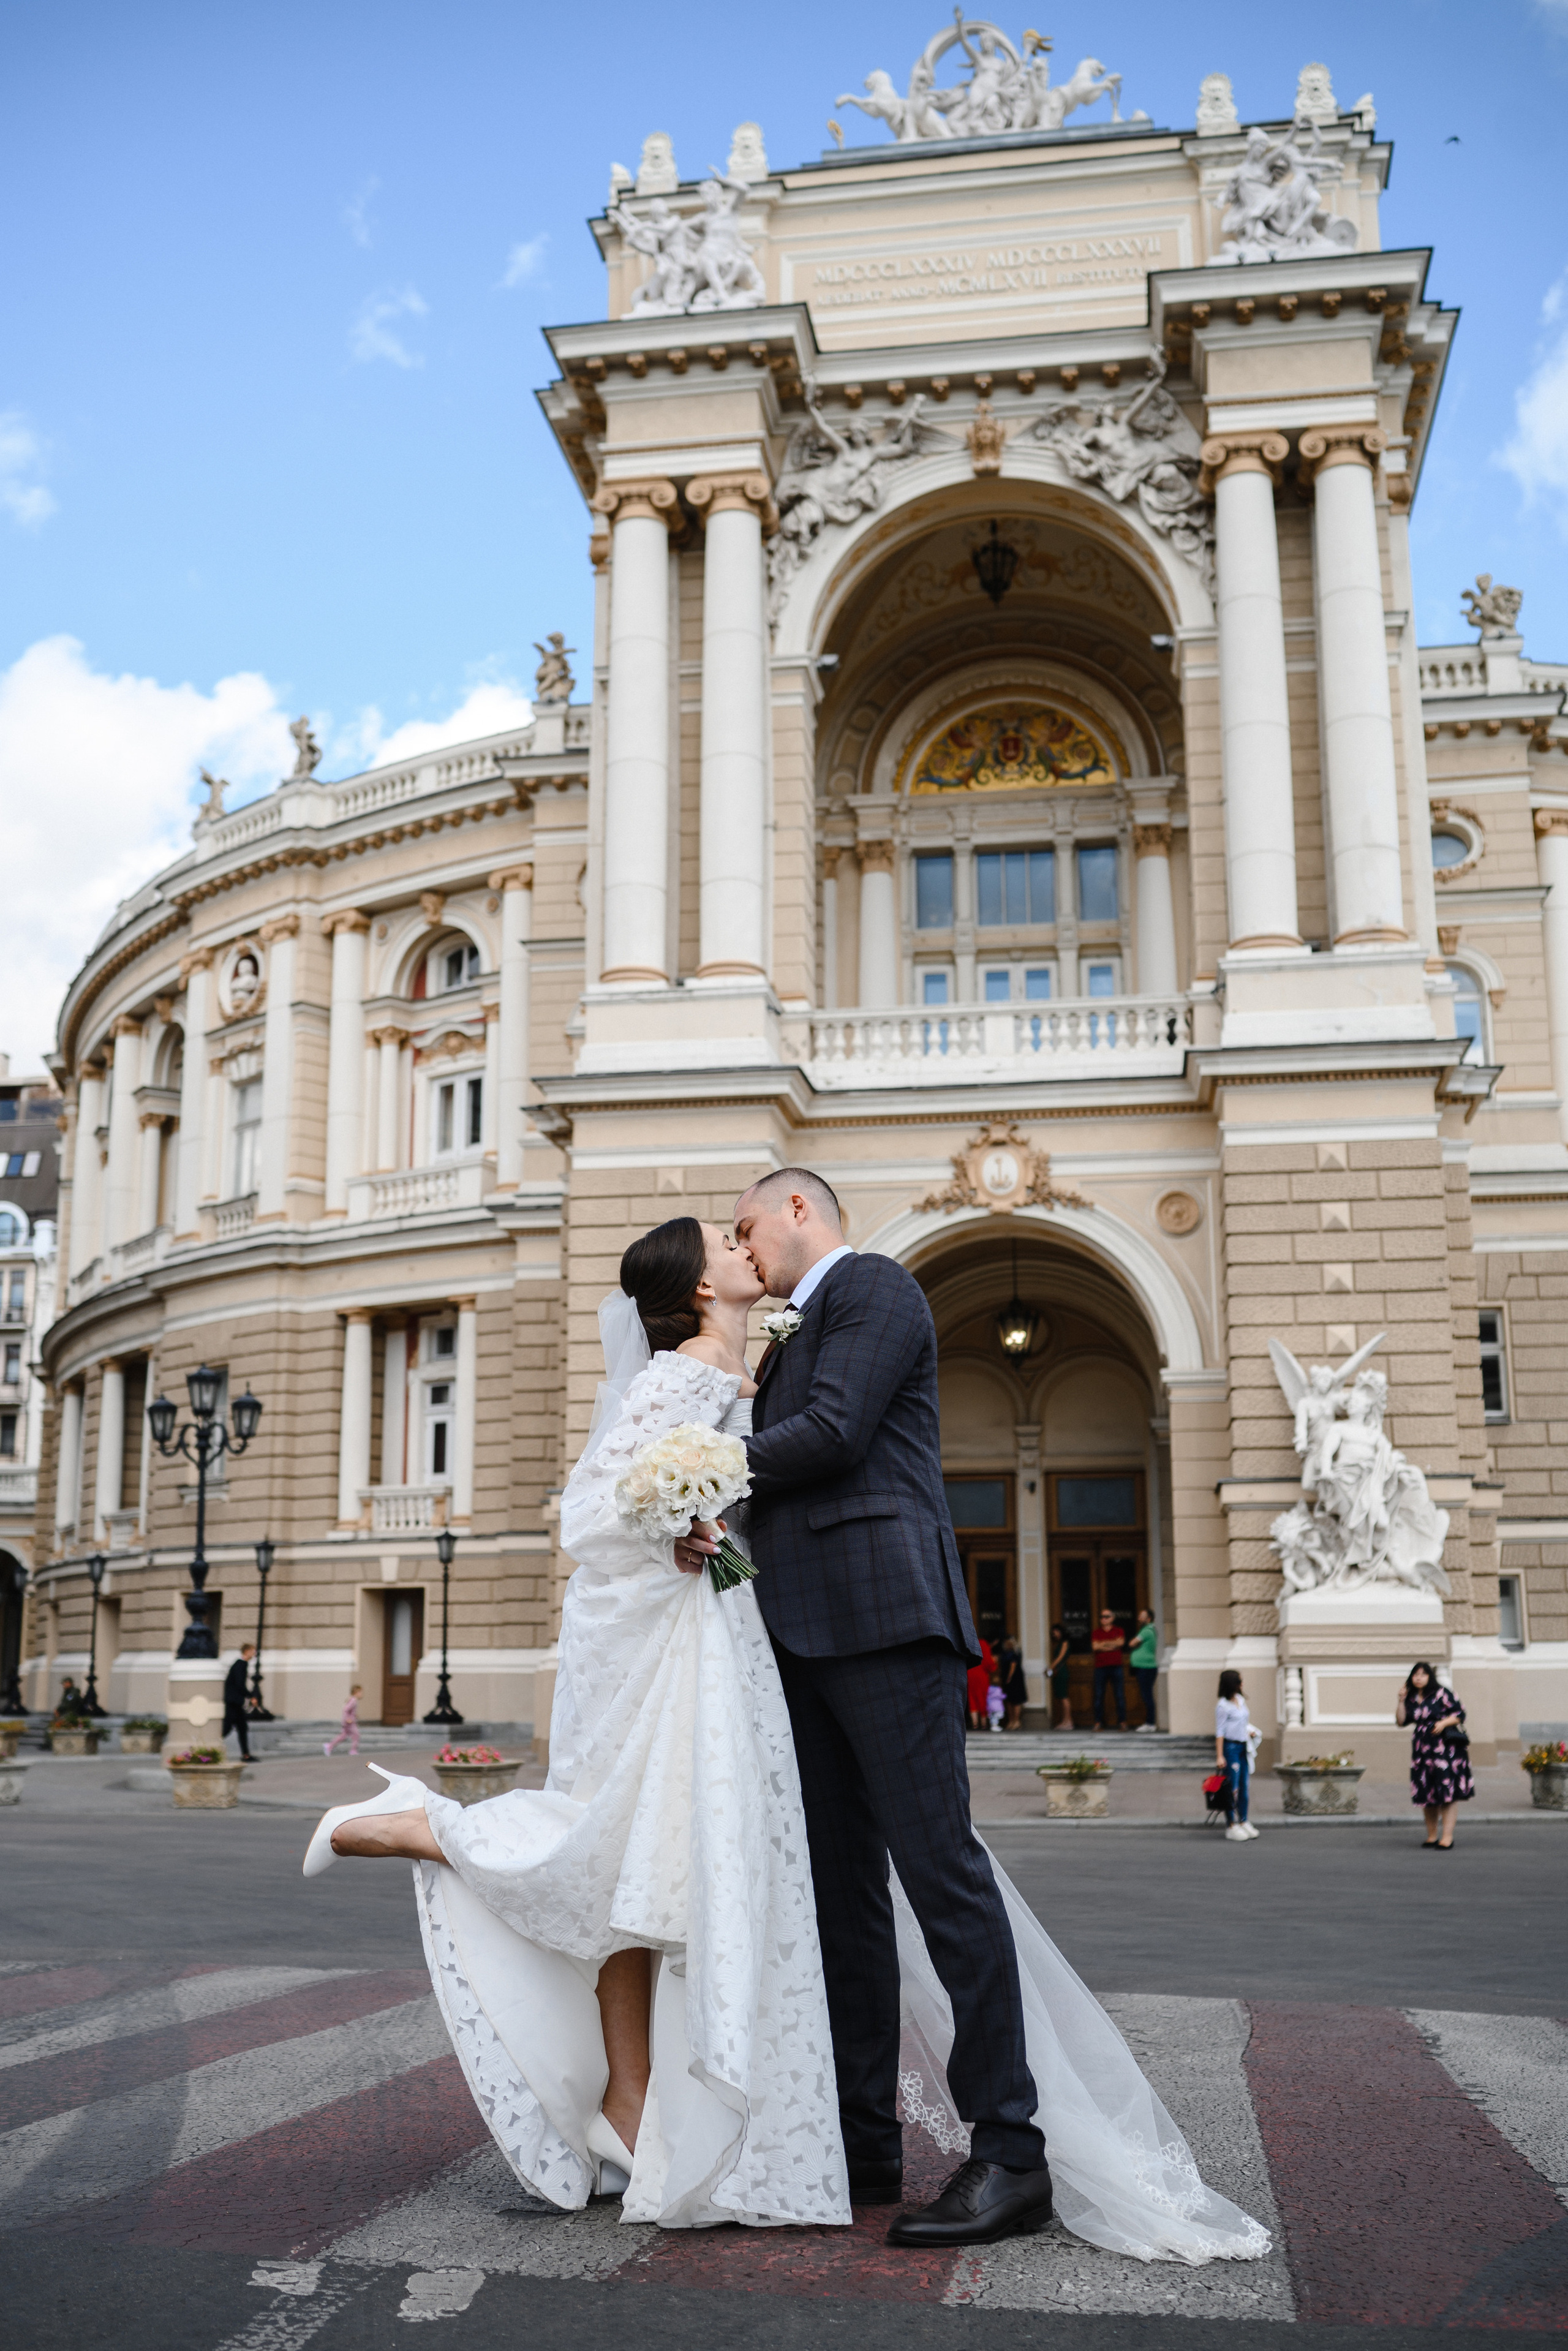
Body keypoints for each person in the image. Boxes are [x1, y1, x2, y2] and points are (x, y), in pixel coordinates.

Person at [303, 1181, 1270, 2266]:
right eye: (732, 1242)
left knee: (944, 1878)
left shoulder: (875, 1288)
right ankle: (863, 2145)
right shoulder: (764, 1341)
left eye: (747, 1226)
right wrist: (696, 1526)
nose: (746, 1248)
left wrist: (694, 1482)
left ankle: (1012, 2151)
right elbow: (731, 1481)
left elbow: (835, 1433)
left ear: (796, 1209)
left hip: (886, 1622)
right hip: (794, 1636)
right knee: (840, 1900)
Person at [1396, 1660, 1474, 1847]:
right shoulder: (1412, 1697)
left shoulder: (1442, 1693)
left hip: (1445, 1750)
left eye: (1423, 1674)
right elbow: (1401, 1721)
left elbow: (1460, 1714)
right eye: (1416, 1675)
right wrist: (1400, 1701)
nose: (1419, 1678)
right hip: (1423, 1750)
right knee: (1427, 1794)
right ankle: (1432, 1835)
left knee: (1447, 1793)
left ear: (1430, 1677)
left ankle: (1447, 1837)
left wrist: (1443, 1723)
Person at [1215, 1669, 1256, 1842]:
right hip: (1230, 1748)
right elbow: (1220, 1732)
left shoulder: (1240, 1700)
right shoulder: (1223, 1706)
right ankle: (1231, 1825)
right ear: (1233, 1683)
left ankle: (1244, 1820)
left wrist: (1250, 1732)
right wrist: (1220, 1756)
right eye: (1240, 1680)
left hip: (1243, 1746)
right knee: (1232, 1789)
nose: (1243, 1683)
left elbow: (1243, 1722)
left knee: (1244, 1786)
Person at [1091, 1608, 1127, 1730]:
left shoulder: (1119, 1630)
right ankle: (1098, 1722)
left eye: (1106, 1616)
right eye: (1102, 1617)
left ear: (1112, 1618)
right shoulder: (1096, 1632)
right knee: (1099, 1695)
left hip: (1116, 1667)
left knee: (1119, 1695)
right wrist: (1112, 1644)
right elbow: (1095, 1647)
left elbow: (1121, 1644)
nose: (1103, 1619)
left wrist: (1103, 1645)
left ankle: (1122, 1722)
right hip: (1100, 1667)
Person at [222, 1644, 255, 1762]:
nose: (254, 1654)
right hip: (233, 1702)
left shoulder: (240, 1664)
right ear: (247, 1651)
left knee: (242, 1727)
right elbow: (240, 1685)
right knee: (227, 1728)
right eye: (253, 1651)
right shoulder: (241, 1665)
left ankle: (246, 1755)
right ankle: (209, 1744)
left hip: (235, 1701)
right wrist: (251, 1697)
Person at [1129, 1608, 1159, 1732]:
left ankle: (1150, 1723)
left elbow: (1132, 1643)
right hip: (1146, 1667)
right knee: (1147, 1695)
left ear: (1149, 1619)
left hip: (1146, 1668)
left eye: (1142, 1616)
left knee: (1147, 1695)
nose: (1139, 1618)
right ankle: (1150, 1723)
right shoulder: (1149, 1630)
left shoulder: (1147, 1631)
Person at [967, 1633, 997, 1732]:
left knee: (972, 1698)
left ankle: (975, 1724)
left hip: (970, 1673)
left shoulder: (972, 1643)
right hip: (981, 1675)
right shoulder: (984, 1645)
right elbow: (988, 1663)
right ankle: (984, 1724)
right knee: (982, 1698)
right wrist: (994, 1663)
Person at [998, 1634, 1030, 1731]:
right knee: (1009, 1700)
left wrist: (1009, 1677)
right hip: (1006, 1678)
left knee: (1016, 1700)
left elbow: (1013, 1665)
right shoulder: (1004, 1653)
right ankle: (1011, 1721)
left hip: (1015, 1679)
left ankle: (1017, 1721)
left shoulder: (1015, 1653)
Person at [324, 1683, 362, 1758]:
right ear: (356, 1692)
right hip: (350, 1722)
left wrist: (354, 1716)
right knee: (356, 1734)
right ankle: (353, 1750)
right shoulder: (353, 1700)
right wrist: (348, 1718)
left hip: (349, 1721)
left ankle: (329, 1746)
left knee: (343, 1736)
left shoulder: (352, 1699)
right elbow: (346, 1710)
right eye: (360, 1692)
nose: (361, 1694)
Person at [1048, 1623, 1073, 1729]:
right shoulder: (1058, 1643)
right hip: (1058, 1671)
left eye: (1057, 1632)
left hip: (1062, 1671)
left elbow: (1060, 1657)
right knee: (1059, 1697)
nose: (1055, 1635)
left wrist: (1050, 1667)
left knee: (1064, 1697)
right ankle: (1064, 1721)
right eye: (1054, 1633)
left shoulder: (1065, 1643)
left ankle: (1069, 1721)